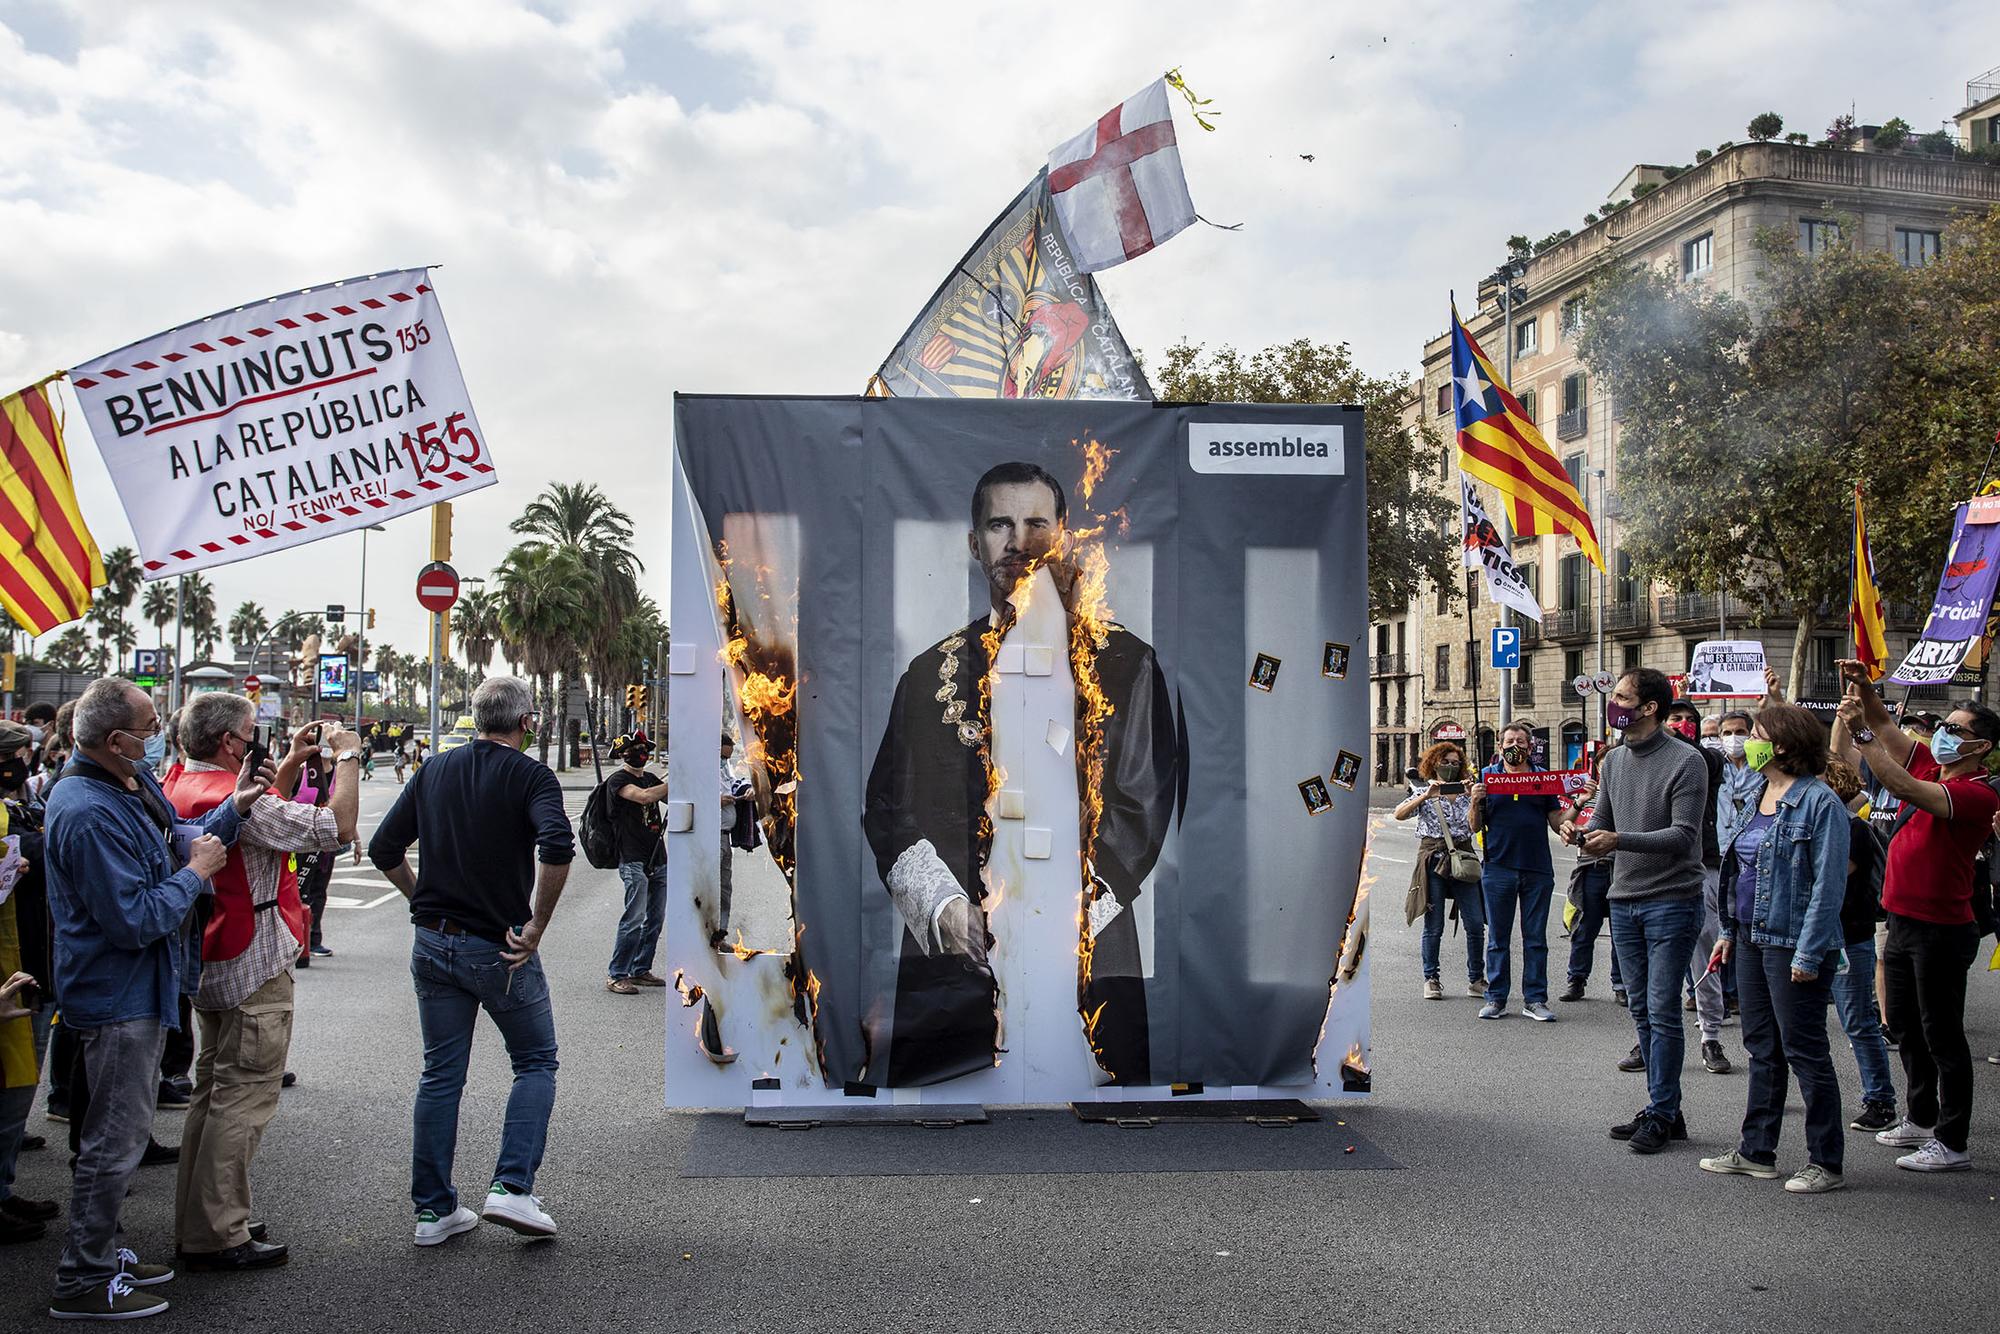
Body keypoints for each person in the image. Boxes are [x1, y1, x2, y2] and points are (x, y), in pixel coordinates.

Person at [863, 460, 1179, 1087]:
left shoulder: (1124, 664)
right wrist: (946, 908)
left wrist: (1069, 911)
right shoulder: (929, 677)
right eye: (999, 523)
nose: (1018, 540)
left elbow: (1141, 806)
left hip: (1088, 945)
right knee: (947, 1137)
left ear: (1062, 534)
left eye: (1036, 522)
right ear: (974, 541)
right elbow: (887, 810)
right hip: (958, 960)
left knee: (1095, 1127)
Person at [42, 677, 272, 1320]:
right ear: (114, 741)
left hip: (141, 989)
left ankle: (106, 1251)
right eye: (146, 731)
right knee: (113, 1145)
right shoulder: (86, 809)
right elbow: (135, 918)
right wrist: (197, 874)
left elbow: (177, 834)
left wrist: (236, 809)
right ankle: (83, 1278)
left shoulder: (125, 787)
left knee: (114, 1137)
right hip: (116, 995)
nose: (156, 739)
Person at [368, 675, 574, 1244]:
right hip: (499, 948)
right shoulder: (532, 775)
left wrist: (422, 901)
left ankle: (434, 1212)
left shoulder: (433, 769)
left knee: (440, 1074)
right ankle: (512, 1188)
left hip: (432, 943)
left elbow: (383, 847)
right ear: (526, 722)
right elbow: (558, 847)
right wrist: (535, 925)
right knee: (535, 1061)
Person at [161, 699, 359, 1270]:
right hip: (254, 956)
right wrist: (345, 756)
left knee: (212, 1090)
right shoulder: (239, 800)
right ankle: (219, 1233)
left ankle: (201, 1218)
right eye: (252, 735)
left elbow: (263, 815)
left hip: (212, 952)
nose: (258, 743)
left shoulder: (180, 784)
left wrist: (294, 761)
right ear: (229, 742)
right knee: (244, 1098)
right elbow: (336, 827)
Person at [1832, 662, 1996, 1173]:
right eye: (1944, 725)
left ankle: (1953, 1140)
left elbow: (1899, 785)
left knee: (1942, 1032)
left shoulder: (1977, 793)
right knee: (1904, 1024)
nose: (1945, 734)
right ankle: (1921, 1118)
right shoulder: (1932, 763)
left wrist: (1860, 736)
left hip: (1942, 928)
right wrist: (1863, 689)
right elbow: (1885, 725)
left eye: (1957, 730)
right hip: (1902, 921)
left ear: (1982, 747)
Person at [1698, 702, 1850, 1193]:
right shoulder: (1758, 792)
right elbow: (1738, 873)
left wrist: (1808, 954)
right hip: (1748, 938)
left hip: (1792, 943)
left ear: (1782, 745)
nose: (1744, 743)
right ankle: (1756, 1151)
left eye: (1755, 734)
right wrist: (1726, 932)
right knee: (1762, 1047)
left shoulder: (1819, 803)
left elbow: (1828, 889)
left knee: (1805, 1051)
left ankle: (1825, 1161)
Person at [1566, 667, 1709, 1155]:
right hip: (1624, 900)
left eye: (1623, 696)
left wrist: (1620, 839)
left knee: (1663, 1010)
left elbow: (1684, 836)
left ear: (1649, 707)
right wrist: (1581, 834)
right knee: (1642, 1010)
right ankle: (1664, 1107)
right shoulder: (1614, 761)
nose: (1615, 703)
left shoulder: (1687, 762)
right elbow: (1603, 821)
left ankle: (1663, 1112)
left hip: (1672, 899)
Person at [1470, 721, 1573, 1021]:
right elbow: (1474, 825)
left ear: (1530, 747)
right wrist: (1476, 801)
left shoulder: (1544, 779)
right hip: (1498, 867)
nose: (1515, 746)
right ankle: (1496, 997)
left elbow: (1556, 821)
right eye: (1509, 740)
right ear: (1499, 746)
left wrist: (1578, 804)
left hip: (1537, 868)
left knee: (1535, 938)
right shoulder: (1487, 778)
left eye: (1520, 741)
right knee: (1498, 938)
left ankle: (1535, 999)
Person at [0, 721, 58, 1244]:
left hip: (33, 961)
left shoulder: (26, 805)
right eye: (22, 754)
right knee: (9, 1089)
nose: (28, 762)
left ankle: (4, 1187)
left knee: (20, 1088)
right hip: (13, 966)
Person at [1820, 758, 1898, 1132]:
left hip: (1849, 937)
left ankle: (1880, 1100)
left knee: (1858, 1022)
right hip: (1815, 936)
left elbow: (1827, 877)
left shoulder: (1852, 829)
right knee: (1800, 1023)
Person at [1664, 698, 1732, 1075]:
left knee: (1705, 953)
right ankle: (1649, 1038)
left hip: (1703, 866)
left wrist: (1684, 741)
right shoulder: (1640, 758)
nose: (1685, 724)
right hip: (1657, 872)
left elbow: (1701, 763)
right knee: (1657, 966)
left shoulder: (1707, 760)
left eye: (1691, 720)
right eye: (1677, 718)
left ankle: (1710, 1036)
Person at [1394, 741, 1484, 1000]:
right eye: (1445, 762)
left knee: (1476, 923)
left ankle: (1476, 979)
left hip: (1463, 857)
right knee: (1434, 925)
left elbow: (1475, 828)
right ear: (1433, 764)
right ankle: (1431, 979)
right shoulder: (1425, 789)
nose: (1450, 767)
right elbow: (1400, 814)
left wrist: (1474, 800)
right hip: (1433, 858)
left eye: (1456, 763)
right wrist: (1426, 795)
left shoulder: (1467, 793)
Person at [605, 732, 669, 995]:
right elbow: (643, 797)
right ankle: (617, 973)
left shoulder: (652, 778)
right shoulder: (618, 780)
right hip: (632, 858)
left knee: (655, 918)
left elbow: (670, 797)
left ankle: (640, 969)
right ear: (623, 753)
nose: (641, 752)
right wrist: (676, 779)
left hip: (657, 857)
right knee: (634, 917)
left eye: (644, 748)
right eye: (636, 748)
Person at [1562, 743, 1622, 1004]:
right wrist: (1580, 802)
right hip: (1591, 869)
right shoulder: (1588, 793)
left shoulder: (1628, 794)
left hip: (1621, 870)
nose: (1608, 768)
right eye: (1603, 763)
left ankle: (1621, 985)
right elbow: (1565, 823)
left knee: (1621, 932)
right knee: (1585, 929)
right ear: (1597, 768)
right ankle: (1576, 980)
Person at [290, 753, 339, 967]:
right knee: (298, 892)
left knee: (319, 891)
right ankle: (295, 938)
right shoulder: (300, 773)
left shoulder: (340, 774)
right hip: (300, 845)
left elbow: (345, 810)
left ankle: (314, 939)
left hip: (325, 847)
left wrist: (354, 839)